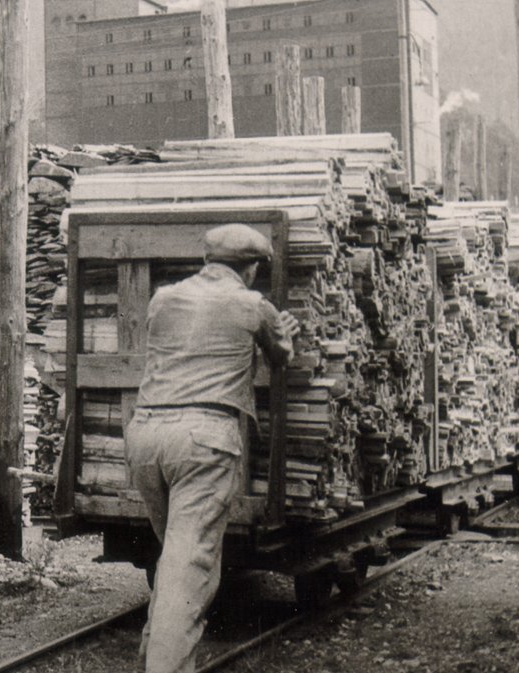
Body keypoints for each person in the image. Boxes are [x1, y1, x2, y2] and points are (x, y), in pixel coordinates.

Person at [125, 223, 298, 673]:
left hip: (145, 436)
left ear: (207, 261)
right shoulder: (253, 305)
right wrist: (285, 332)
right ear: (252, 267)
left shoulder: (162, 298)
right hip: (202, 441)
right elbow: (282, 356)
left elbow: (188, 345)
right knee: (189, 571)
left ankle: (150, 656)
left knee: (176, 556)